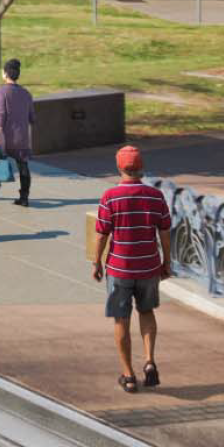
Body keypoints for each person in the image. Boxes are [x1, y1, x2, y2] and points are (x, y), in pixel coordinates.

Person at [93, 144, 171, 393]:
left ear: (118, 167)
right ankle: (149, 361)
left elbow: (102, 234)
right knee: (146, 313)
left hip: (119, 268)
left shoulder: (110, 197)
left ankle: (128, 375)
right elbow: (165, 232)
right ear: (141, 167)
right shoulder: (155, 196)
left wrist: (96, 262)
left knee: (121, 320)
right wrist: (166, 261)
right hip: (148, 266)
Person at [0, 58, 35, 207]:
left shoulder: (2, 91)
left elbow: (1, 114)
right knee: (23, 166)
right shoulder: (27, 94)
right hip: (21, 138)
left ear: (5, 74)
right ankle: (24, 197)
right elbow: (32, 118)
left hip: (5, 137)